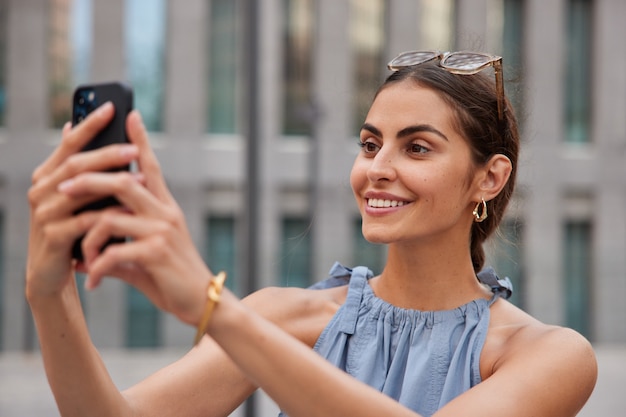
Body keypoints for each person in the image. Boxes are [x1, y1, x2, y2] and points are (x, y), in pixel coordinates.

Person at [26, 50, 597, 417]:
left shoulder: (550, 357)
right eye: (371, 144)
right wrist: (48, 294)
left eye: (416, 147)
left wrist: (214, 308)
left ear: (489, 178)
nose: (377, 167)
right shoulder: (281, 317)